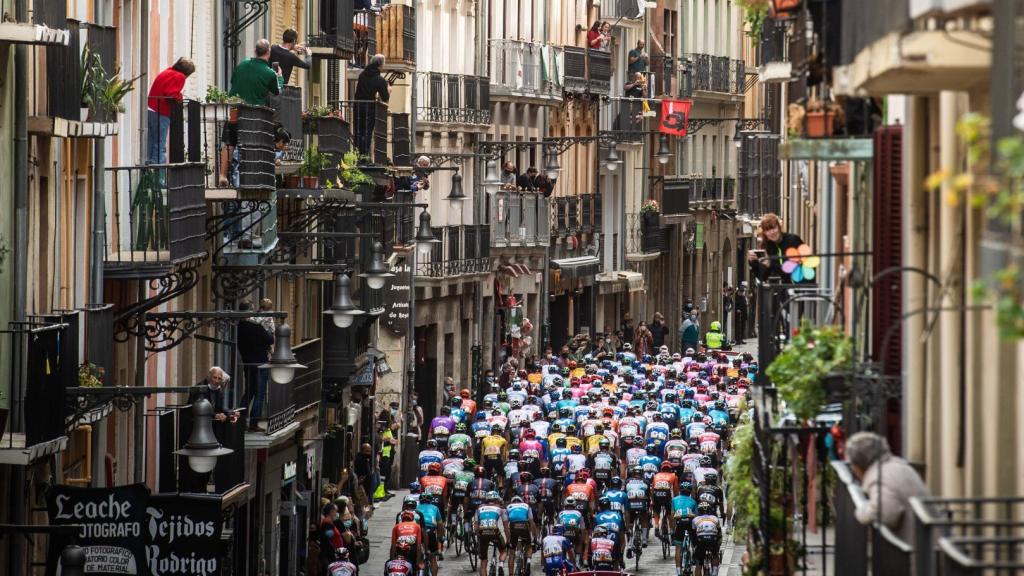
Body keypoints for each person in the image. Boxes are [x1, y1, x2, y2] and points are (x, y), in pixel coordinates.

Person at [219, 39, 282, 186]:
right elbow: (277, 91)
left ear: (255, 51)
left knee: (229, 142)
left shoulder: (241, 65)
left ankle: (222, 175)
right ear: (269, 53)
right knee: (253, 144)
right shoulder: (269, 73)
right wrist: (279, 76)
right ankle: (251, 178)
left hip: (234, 109)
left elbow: (233, 81)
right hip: (253, 115)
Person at [847, 432, 928, 544]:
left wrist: (861, 511)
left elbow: (886, 513)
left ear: (857, 465)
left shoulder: (880, 476)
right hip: (925, 542)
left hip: (917, 549)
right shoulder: (898, 465)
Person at [146, 57, 195, 164]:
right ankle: (158, 176)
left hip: (150, 109)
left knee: (151, 144)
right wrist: (180, 97)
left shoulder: (166, 72)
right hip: (161, 112)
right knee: (160, 145)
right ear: (187, 73)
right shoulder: (180, 76)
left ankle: (148, 173)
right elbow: (171, 93)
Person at [237, 300, 274, 432]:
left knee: (249, 393)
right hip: (260, 364)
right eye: (252, 309)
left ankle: (240, 421)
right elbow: (270, 339)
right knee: (260, 394)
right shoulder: (255, 327)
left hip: (248, 364)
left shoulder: (239, 327)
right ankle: (253, 423)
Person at [747, 212, 806, 282]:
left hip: (801, 286)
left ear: (779, 227)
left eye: (773, 228)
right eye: (767, 230)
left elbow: (793, 270)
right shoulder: (769, 247)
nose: (772, 232)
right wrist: (754, 262)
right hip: (784, 289)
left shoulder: (793, 240)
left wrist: (771, 263)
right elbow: (762, 277)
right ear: (765, 233)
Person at [353, 54, 390, 156]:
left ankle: (356, 153)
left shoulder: (362, 75)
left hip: (358, 106)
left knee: (358, 131)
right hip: (369, 108)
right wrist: (389, 89)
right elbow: (385, 98)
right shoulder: (380, 79)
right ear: (380, 65)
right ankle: (363, 155)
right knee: (367, 132)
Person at [379, 421, 400, 498]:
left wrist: (393, 441)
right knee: (383, 474)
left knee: (387, 473)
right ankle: (382, 492)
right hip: (384, 454)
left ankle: (385, 490)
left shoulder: (389, 430)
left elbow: (390, 440)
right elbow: (381, 440)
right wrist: (389, 440)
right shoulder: (384, 430)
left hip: (388, 454)